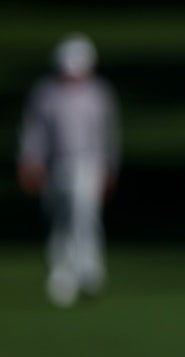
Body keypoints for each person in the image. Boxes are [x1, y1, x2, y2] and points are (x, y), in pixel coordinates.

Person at [17, 33, 121, 307]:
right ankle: (62, 270)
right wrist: (30, 160)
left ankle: (89, 267)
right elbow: (34, 132)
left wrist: (109, 166)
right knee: (60, 218)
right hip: (55, 164)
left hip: (88, 164)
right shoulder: (45, 94)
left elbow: (107, 135)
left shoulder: (99, 94)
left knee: (84, 214)